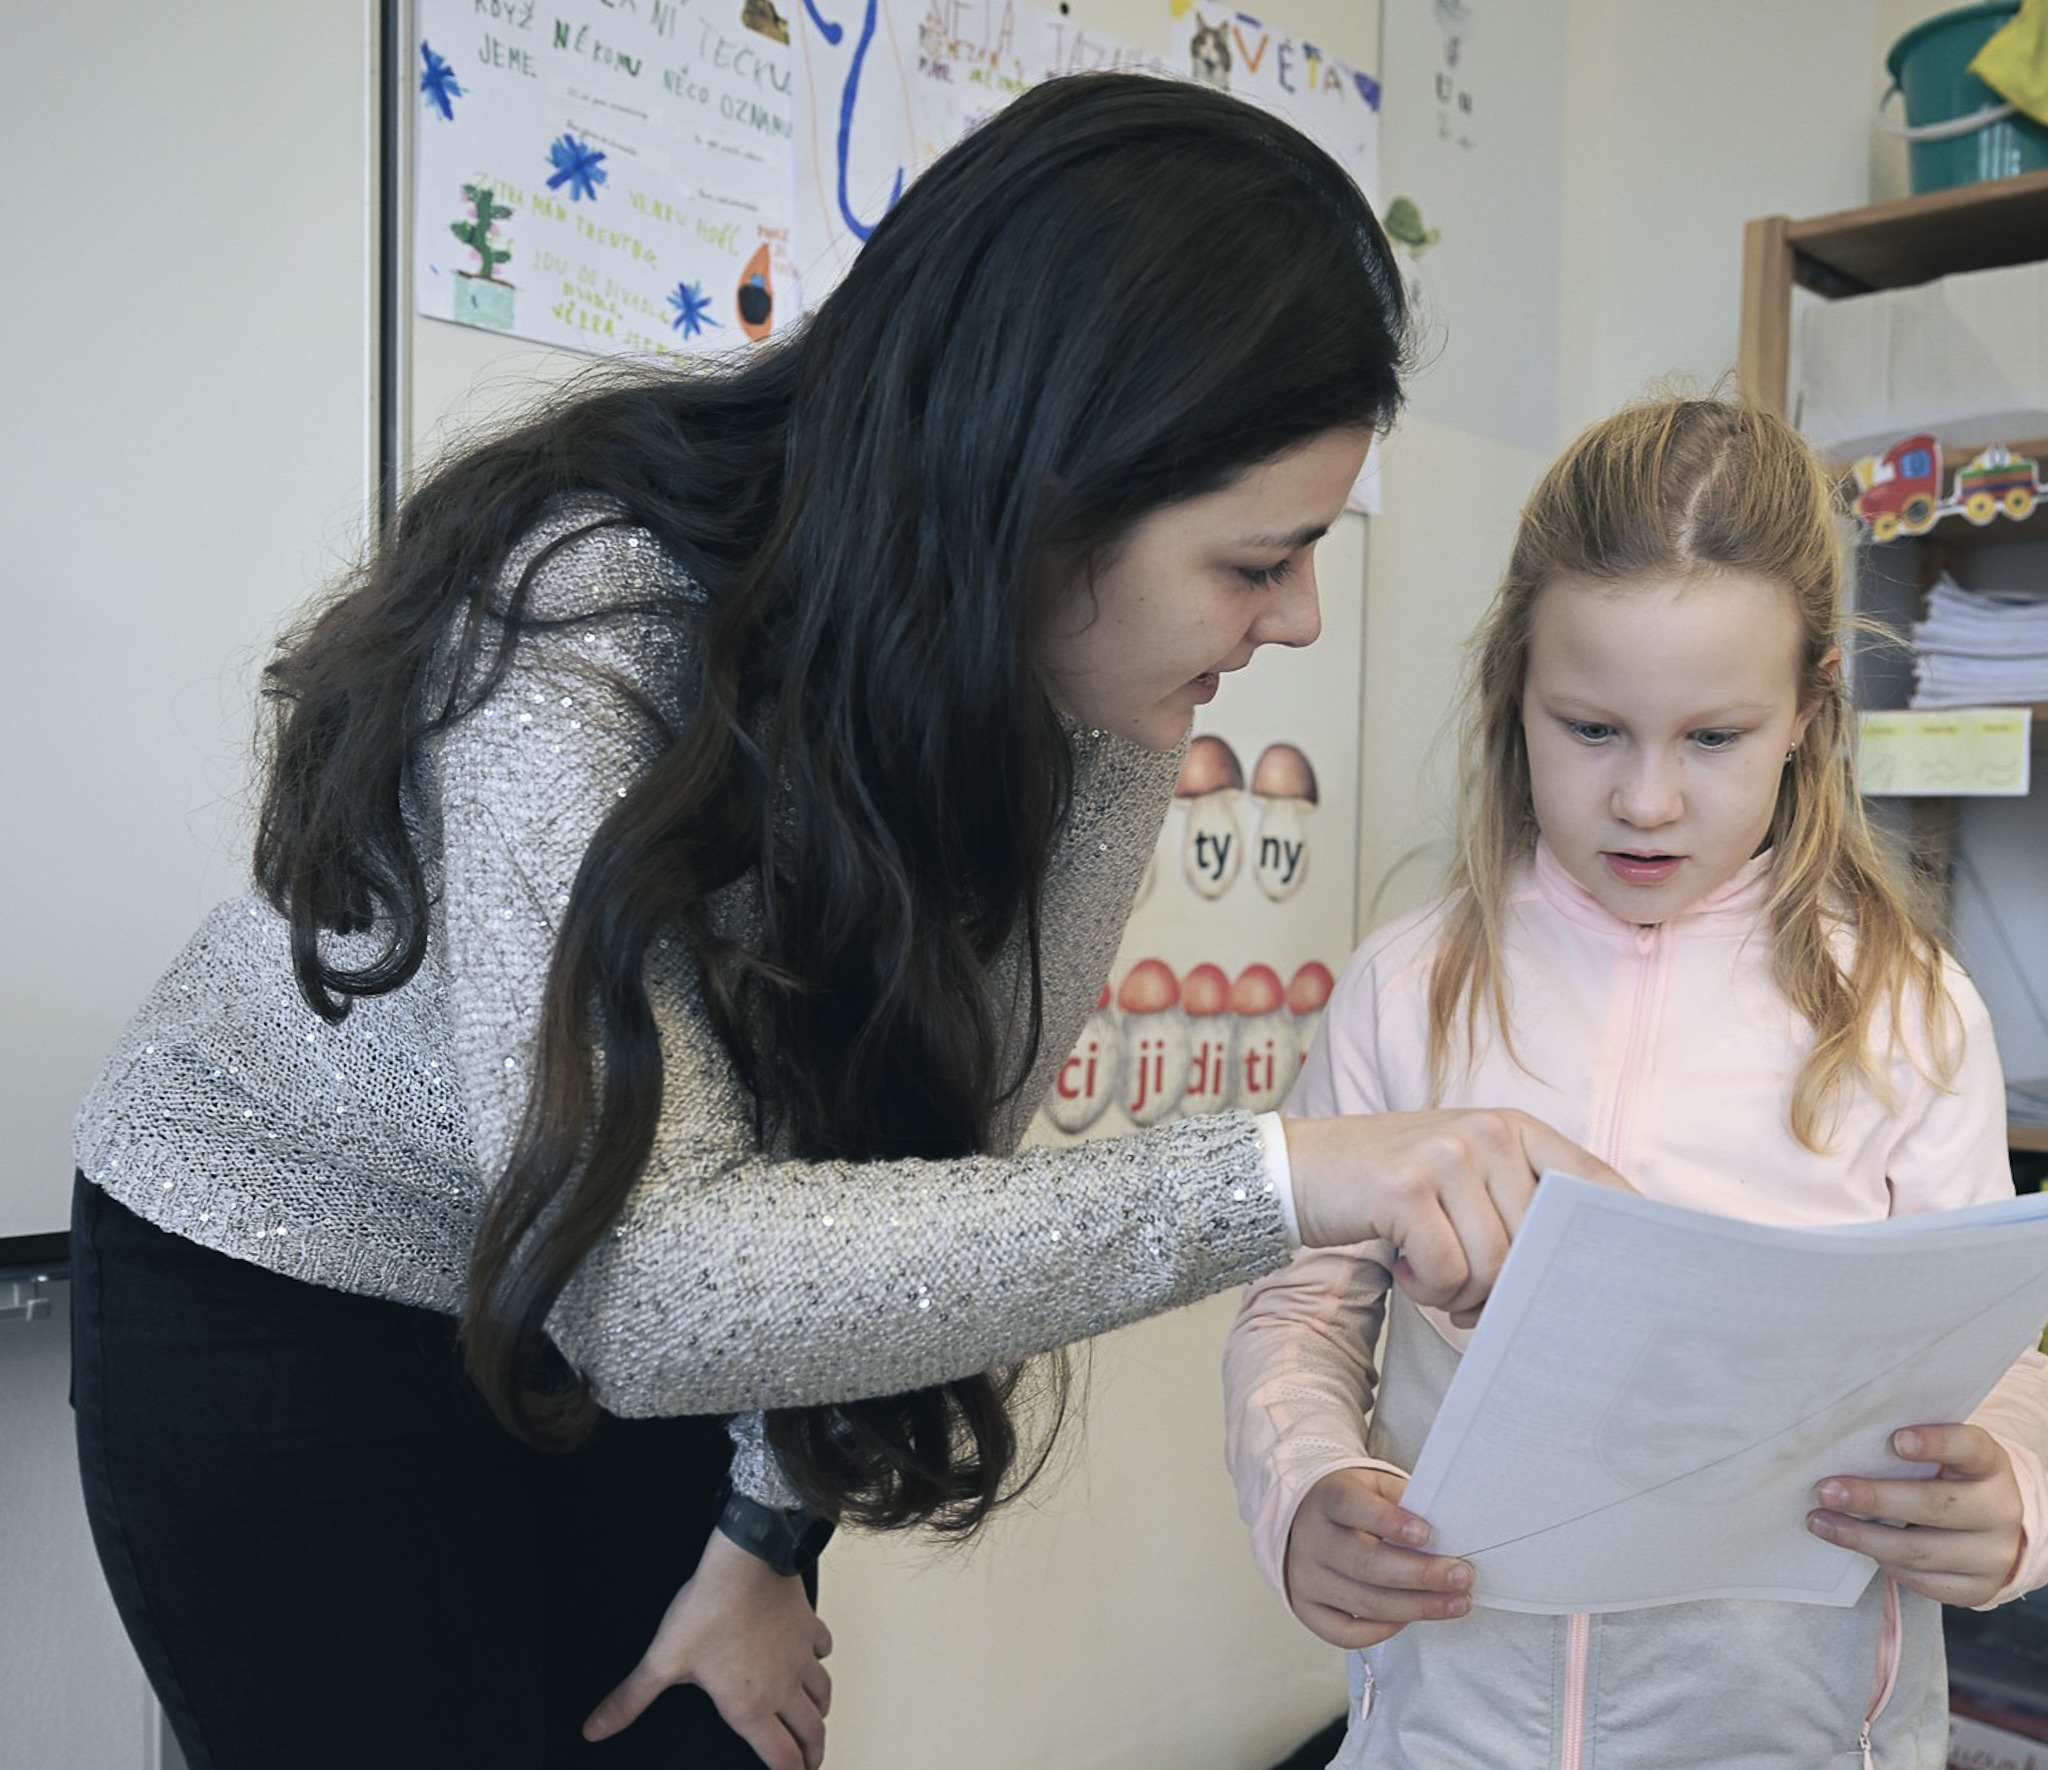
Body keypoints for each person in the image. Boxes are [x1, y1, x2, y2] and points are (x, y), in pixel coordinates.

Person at [69, 71, 1613, 1770]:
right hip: (298, 1283)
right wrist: (1285, 1175)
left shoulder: (1089, 707)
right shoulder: (584, 623)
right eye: (1259, 562)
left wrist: (762, 1536)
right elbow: (643, 1278)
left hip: (648, 1291)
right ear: (1041, 488)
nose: (1301, 616)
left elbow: (918, 1170)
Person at [1222, 395, 2048, 1769]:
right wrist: (1306, 1485)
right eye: (1592, 728)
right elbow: (1302, 1310)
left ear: (1808, 712)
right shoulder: (1407, 984)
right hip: (1452, 1731)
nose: (1647, 800)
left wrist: (2016, 1487)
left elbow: (1997, 1354)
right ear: (1516, 693)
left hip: (1798, 1737)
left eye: (1714, 738)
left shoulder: (1904, 1011)